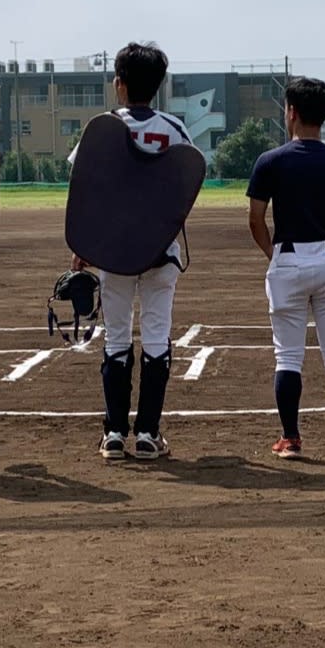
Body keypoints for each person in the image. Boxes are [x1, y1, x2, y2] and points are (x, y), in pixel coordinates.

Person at [69, 42, 193, 461]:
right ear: (158, 87)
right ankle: (148, 434)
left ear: (118, 83)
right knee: (157, 338)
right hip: (160, 251)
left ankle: (115, 433)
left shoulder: (102, 126)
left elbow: (86, 188)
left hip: (113, 250)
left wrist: (83, 247)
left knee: (116, 339)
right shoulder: (175, 129)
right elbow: (184, 187)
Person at [245, 76, 325, 461]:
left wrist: (274, 253)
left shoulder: (271, 162)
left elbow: (255, 219)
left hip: (288, 260)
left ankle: (291, 439)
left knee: (288, 356)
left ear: (292, 113)